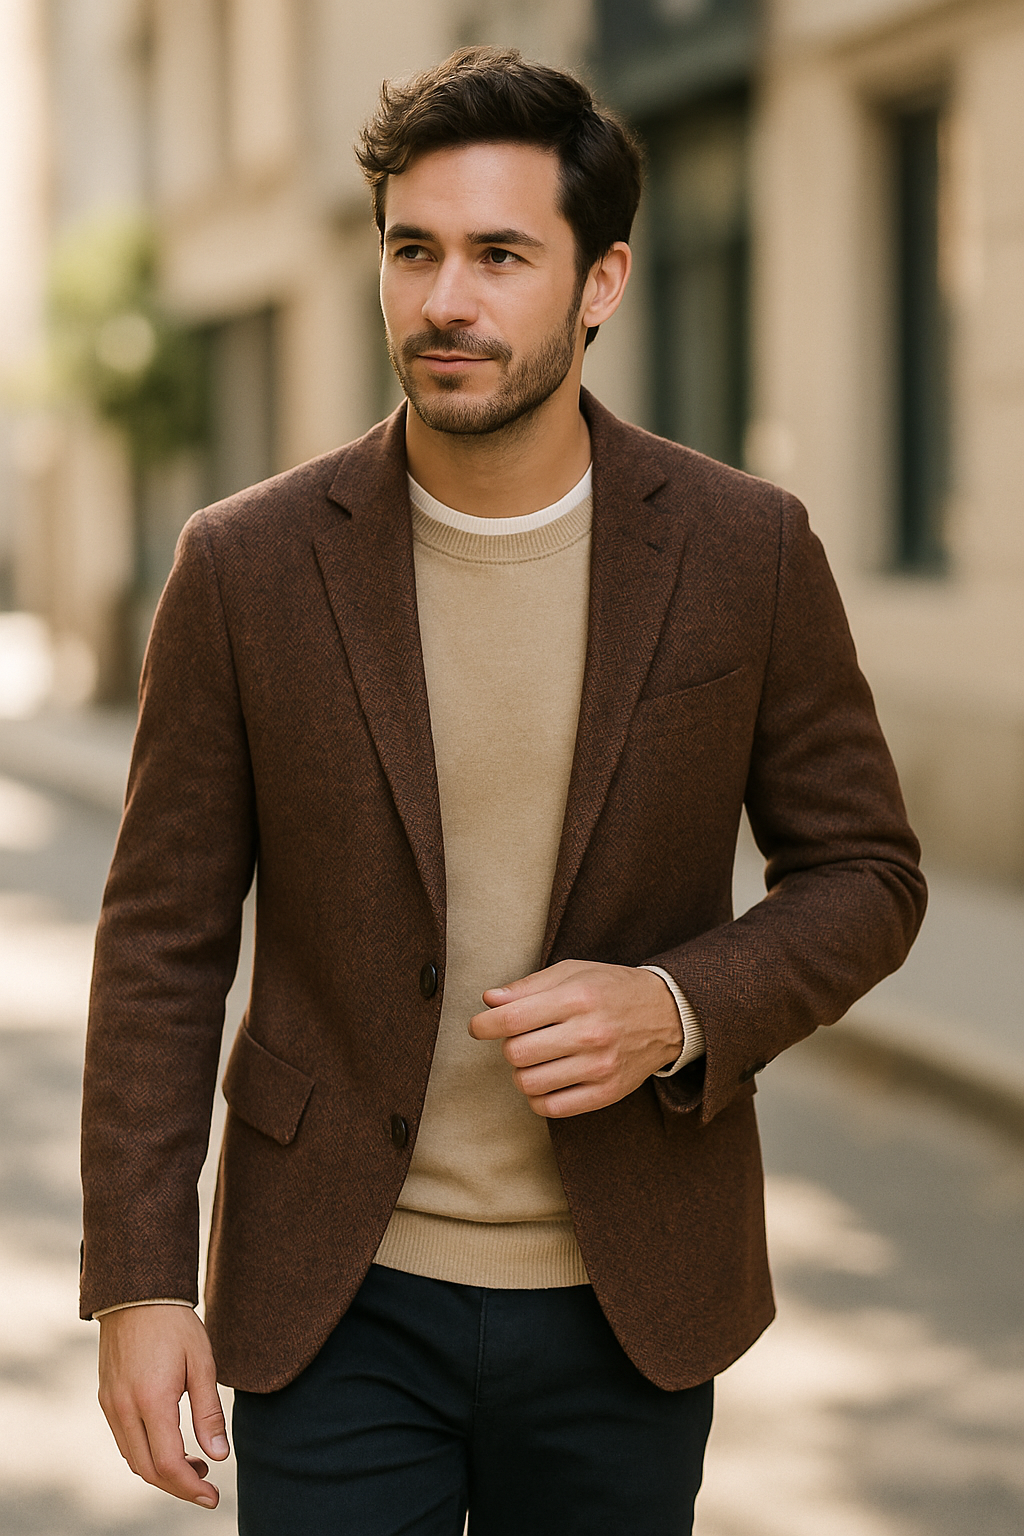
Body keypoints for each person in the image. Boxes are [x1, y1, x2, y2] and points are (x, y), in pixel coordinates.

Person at [80, 46, 926, 1536]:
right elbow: (161, 942)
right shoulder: (244, 568)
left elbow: (868, 874)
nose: (445, 301)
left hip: (626, 1298)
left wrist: (675, 1005)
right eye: (413, 251)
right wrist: (141, 1283)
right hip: (336, 1299)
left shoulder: (744, 551)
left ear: (600, 283)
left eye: (500, 255)